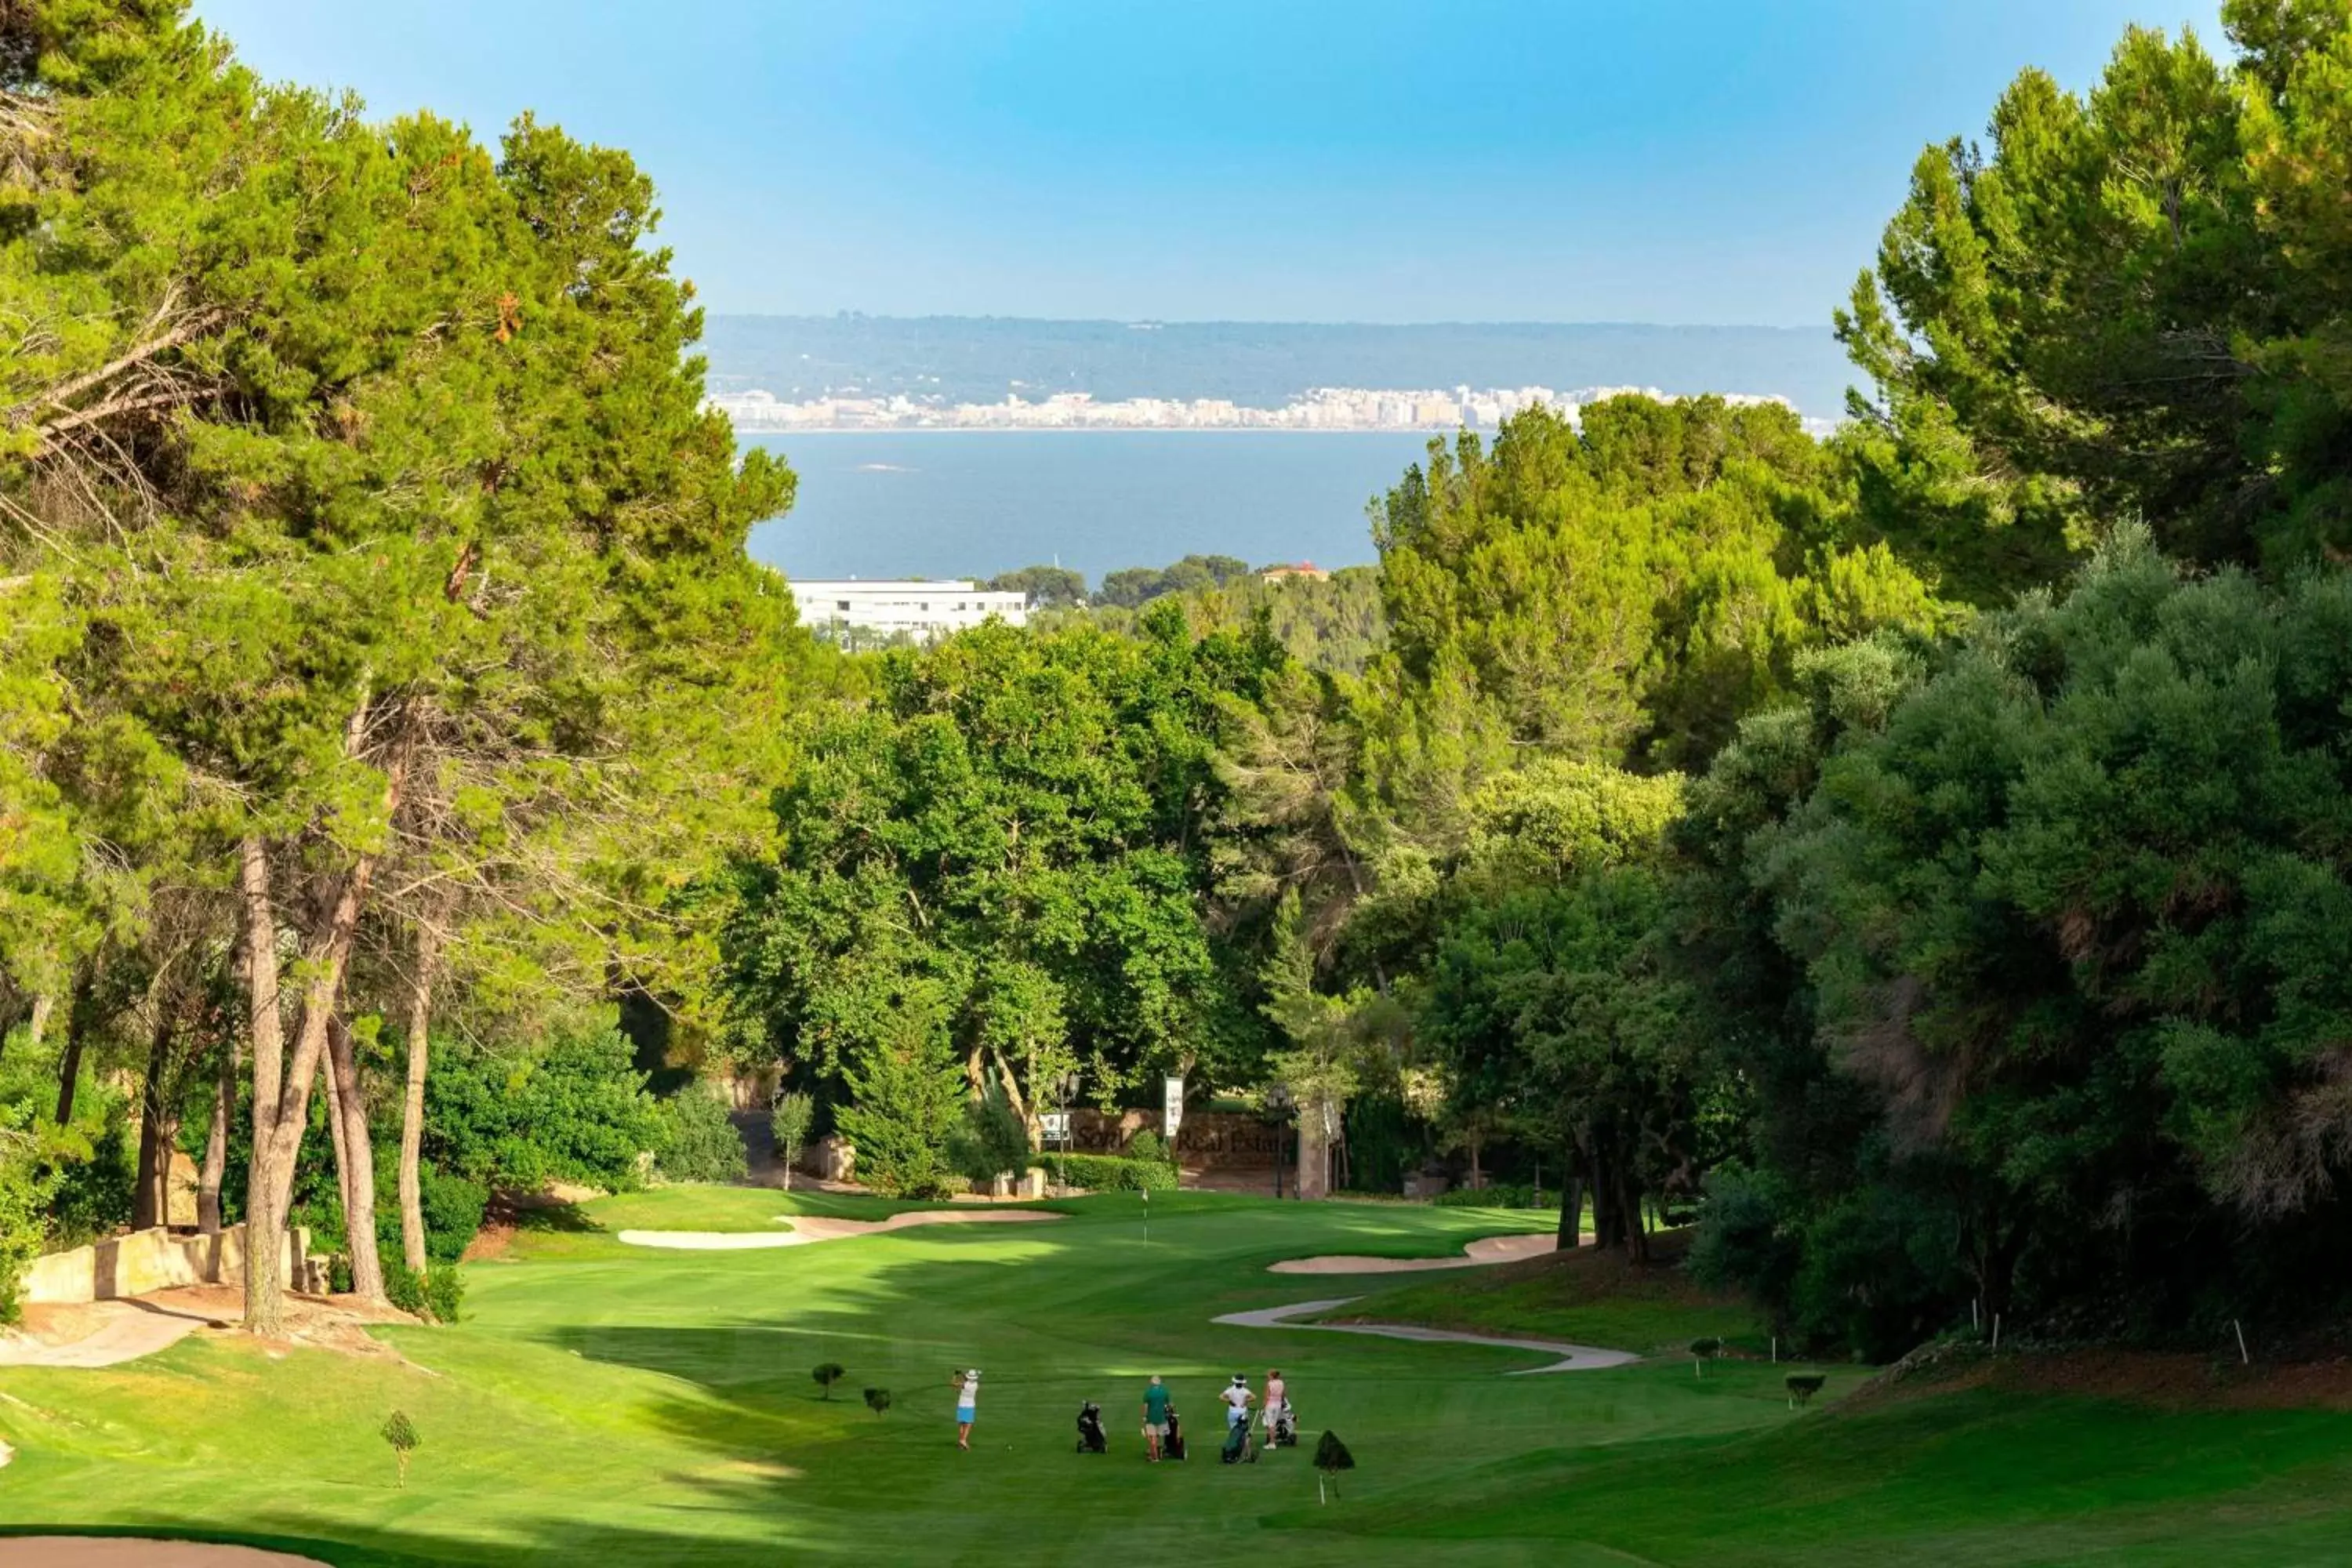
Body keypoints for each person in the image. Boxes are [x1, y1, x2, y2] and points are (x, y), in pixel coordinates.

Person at [1141, 1374, 1173, 1462]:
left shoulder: (1148, 1393)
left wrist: (1144, 1416)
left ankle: (1154, 1457)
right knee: (1157, 1436)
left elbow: (1146, 1407)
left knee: (1152, 1437)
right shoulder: (1164, 1392)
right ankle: (1153, 1451)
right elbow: (1169, 1405)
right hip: (1162, 1418)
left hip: (1151, 1417)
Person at [952, 1367, 981, 1450]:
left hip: (961, 1404)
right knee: (968, 1424)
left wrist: (955, 1375)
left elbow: (954, 1384)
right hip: (970, 1406)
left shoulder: (964, 1384)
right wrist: (962, 1373)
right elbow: (967, 1378)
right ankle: (963, 1440)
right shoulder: (975, 1385)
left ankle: (961, 1442)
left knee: (961, 1424)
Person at [1261, 1367, 1287, 1443]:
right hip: (1278, 1405)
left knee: (1270, 1425)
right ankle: (1272, 1441)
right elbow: (1283, 1394)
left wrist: (1263, 1406)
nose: (1268, 1376)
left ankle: (1272, 1443)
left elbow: (1267, 1396)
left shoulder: (1269, 1383)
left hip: (1270, 1405)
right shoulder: (1281, 1383)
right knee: (1274, 1423)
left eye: (1269, 1375)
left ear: (1272, 1376)